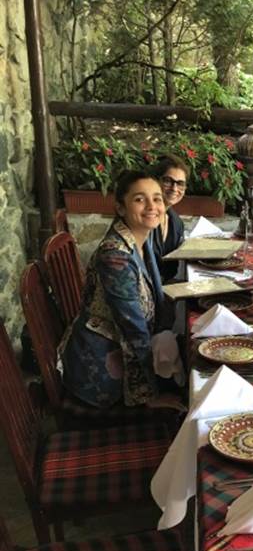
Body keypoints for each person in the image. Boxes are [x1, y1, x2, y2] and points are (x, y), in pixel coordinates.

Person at [60, 169, 181, 409]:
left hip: (124, 353)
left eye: (157, 198)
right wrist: (151, 396)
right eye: (140, 199)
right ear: (121, 208)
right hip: (100, 378)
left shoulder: (141, 240)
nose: (152, 206)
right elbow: (133, 331)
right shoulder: (116, 257)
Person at [152, 154, 189, 282]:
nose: (174, 188)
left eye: (180, 184)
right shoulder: (145, 218)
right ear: (156, 181)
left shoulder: (176, 223)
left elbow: (171, 269)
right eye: (168, 181)